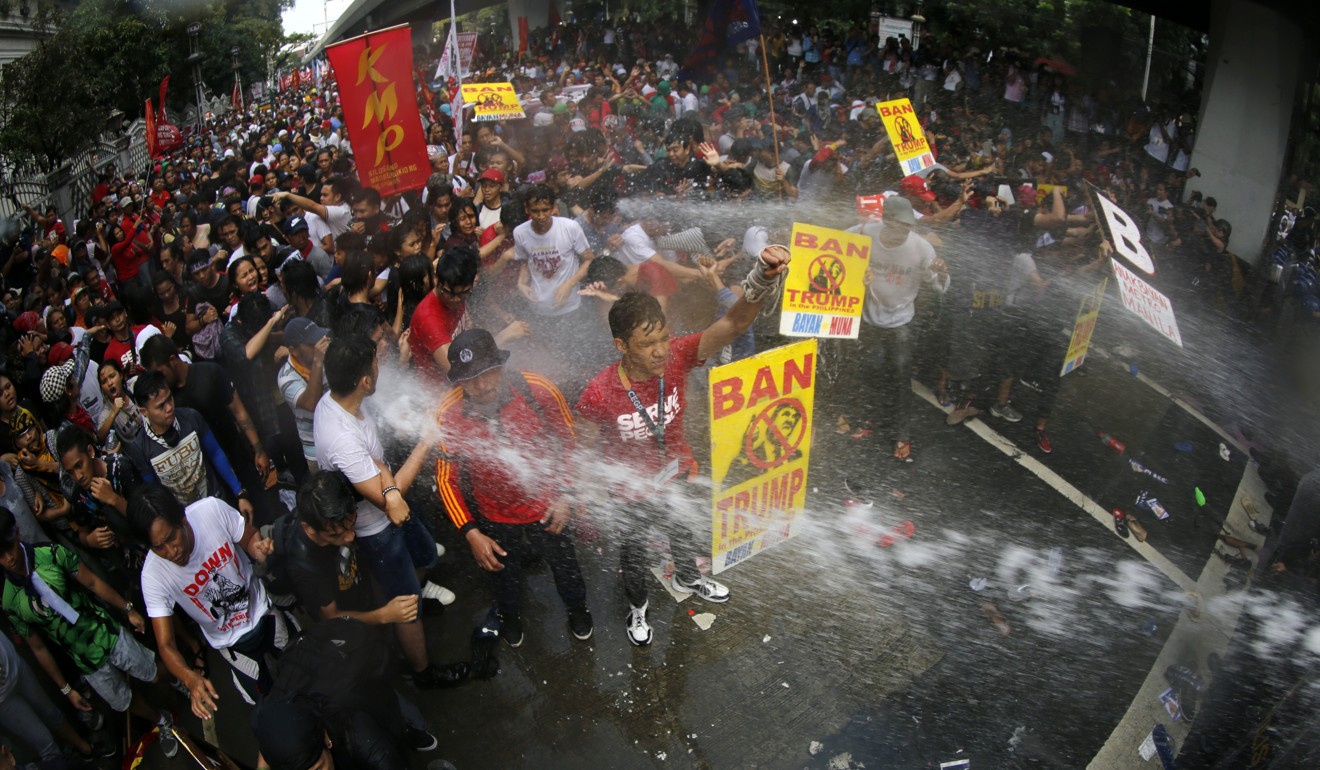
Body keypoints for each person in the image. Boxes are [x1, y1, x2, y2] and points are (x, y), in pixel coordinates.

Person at [574, 244, 791, 646]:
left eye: (663, 337)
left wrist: (762, 276)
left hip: (677, 472)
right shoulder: (599, 393)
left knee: (685, 533)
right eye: (647, 344)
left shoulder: (677, 356)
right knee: (635, 558)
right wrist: (586, 495)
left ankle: (691, 579)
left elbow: (734, 323)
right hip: (631, 492)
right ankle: (637, 609)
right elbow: (584, 448)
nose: (660, 351)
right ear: (621, 346)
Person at [312, 334, 465, 689]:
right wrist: (427, 440)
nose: (381, 367)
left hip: (387, 514)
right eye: (375, 364)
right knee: (406, 606)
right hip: (375, 530)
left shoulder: (338, 400)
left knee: (426, 553)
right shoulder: (343, 439)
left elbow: (379, 467)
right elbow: (388, 499)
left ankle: (412, 589)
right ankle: (423, 672)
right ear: (365, 380)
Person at [435, 329, 593, 646]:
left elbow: (570, 442)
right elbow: (445, 480)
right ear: (458, 382)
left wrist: (567, 493)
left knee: (568, 572)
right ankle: (510, 619)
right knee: (503, 580)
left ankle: (577, 610)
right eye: (469, 379)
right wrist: (471, 533)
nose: (481, 386)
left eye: (486, 374)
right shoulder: (447, 414)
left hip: (549, 508)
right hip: (494, 518)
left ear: (500, 365)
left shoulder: (537, 389)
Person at [0, 508, 179, 759]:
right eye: (0, 555)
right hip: (84, 659)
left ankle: (179, 680)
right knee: (123, 701)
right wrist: (65, 689)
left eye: (8, 547)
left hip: (104, 630)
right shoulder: (10, 600)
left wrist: (127, 609)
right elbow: (38, 647)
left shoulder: (50, 554)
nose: (8, 558)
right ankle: (162, 720)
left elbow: (92, 582)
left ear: (17, 533)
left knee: (151, 671)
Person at [129, 484, 285, 718]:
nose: (171, 552)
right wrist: (189, 677)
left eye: (171, 538)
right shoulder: (152, 575)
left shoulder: (211, 511)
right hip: (233, 646)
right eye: (158, 547)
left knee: (302, 664)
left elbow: (249, 537)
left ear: (182, 519)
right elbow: (166, 645)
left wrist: (258, 549)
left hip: (265, 612)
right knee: (268, 706)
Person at [124, 372, 253, 520]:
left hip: (216, 502)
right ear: (144, 412)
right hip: (186, 520)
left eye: (170, 399)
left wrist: (239, 493)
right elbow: (154, 490)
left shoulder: (191, 417)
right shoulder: (140, 447)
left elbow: (215, 453)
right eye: (160, 406)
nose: (169, 408)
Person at [276, 318, 330, 466]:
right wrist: (318, 362)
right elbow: (311, 403)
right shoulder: (286, 377)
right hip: (319, 452)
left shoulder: (324, 356)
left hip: (342, 436)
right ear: (294, 350)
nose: (319, 345)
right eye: (312, 343)